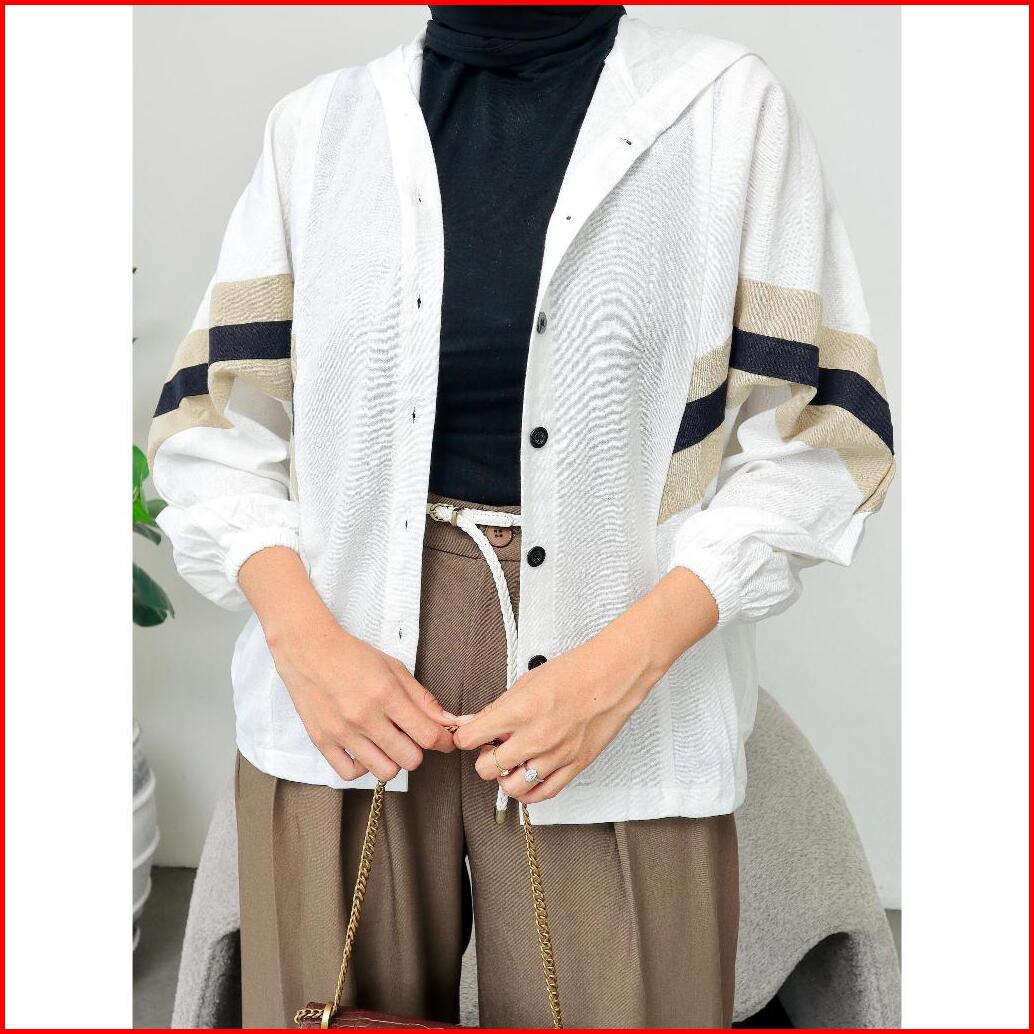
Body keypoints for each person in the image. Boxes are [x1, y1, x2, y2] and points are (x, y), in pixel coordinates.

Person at [148, 5, 895, 1028]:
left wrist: (621, 666)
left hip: (615, 676)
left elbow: (821, 436)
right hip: (342, 676)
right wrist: (301, 639)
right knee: (323, 1009)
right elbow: (212, 425)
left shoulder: (725, 111)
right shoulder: (318, 129)